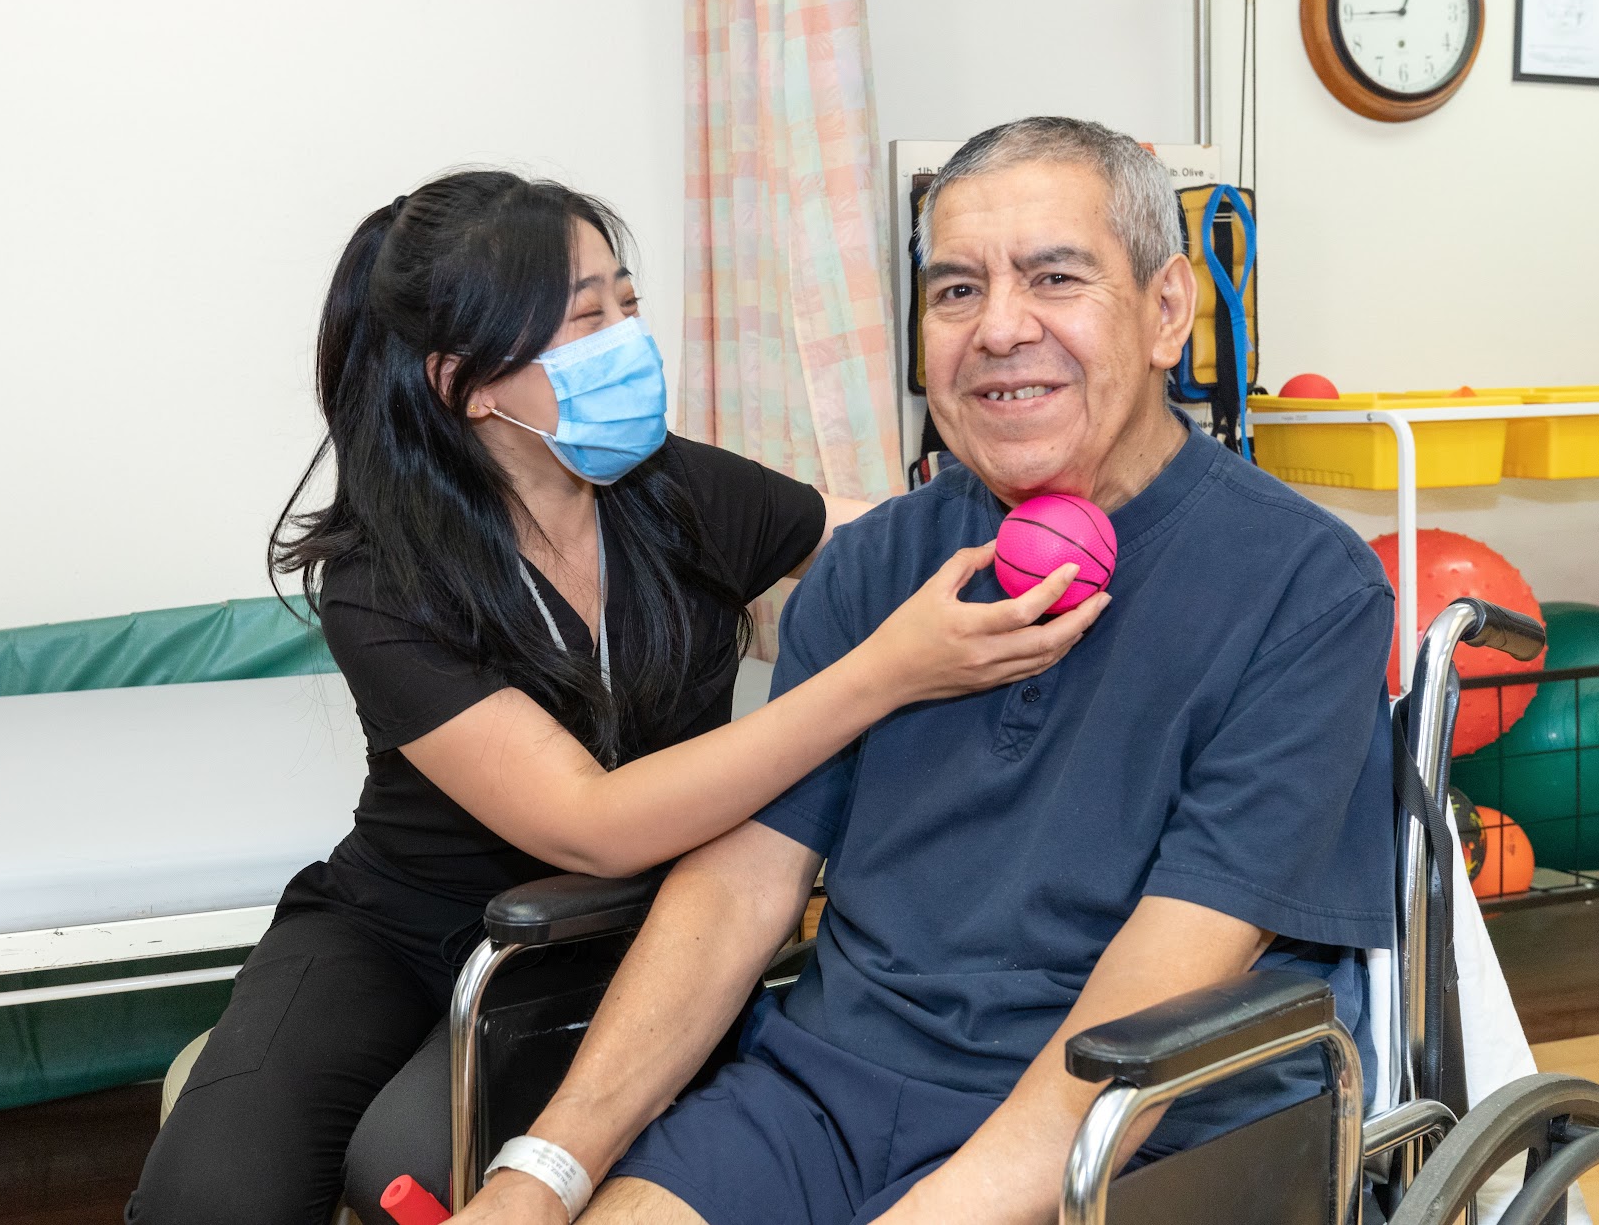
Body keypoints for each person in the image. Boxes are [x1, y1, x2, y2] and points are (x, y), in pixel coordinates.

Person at [454, 118, 1399, 1225]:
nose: (998, 328)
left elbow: (1172, 970)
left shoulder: (1302, 586)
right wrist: (541, 1173)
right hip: (824, 1094)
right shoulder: (872, 567)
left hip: (1132, 1129)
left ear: (1165, 310)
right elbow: (741, 885)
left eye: (1054, 277)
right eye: (956, 290)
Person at [126, 169, 1104, 1225]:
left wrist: (1065, 503)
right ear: (468, 383)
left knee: (411, 1162)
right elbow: (591, 822)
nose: (628, 341)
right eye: (586, 320)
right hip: (393, 928)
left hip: (621, 944)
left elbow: (885, 543)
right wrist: (882, 674)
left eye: (626, 304)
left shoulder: (674, 494)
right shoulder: (384, 579)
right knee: (207, 1200)